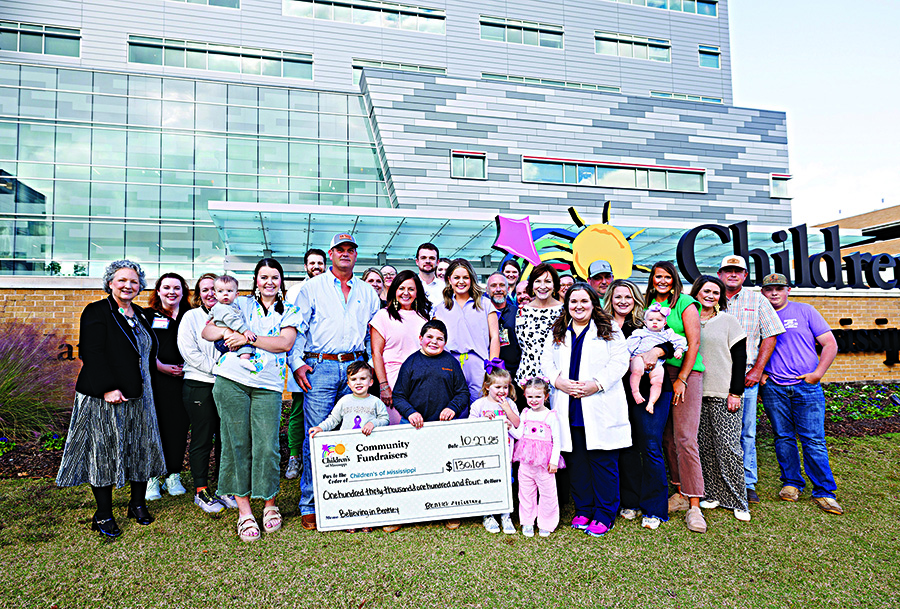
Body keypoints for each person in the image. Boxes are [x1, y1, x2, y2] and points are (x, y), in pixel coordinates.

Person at [56, 260, 166, 538]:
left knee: (141, 446)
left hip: (140, 395)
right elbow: (91, 352)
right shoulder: (96, 311)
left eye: (134, 281)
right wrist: (108, 388)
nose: (128, 286)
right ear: (110, 283)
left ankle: (137, 504)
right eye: (122, 280)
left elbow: (145, 353)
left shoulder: (141, 315)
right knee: (103, 452)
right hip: (106, 396)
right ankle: (103, 513)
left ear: (140, 286)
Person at [202, 258, 301, 541]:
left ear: (281, 281)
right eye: (263, 277)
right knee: (236, 444)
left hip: (269, 385)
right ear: (256, 280)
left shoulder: (290, 310)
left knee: (267, 446)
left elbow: (284, 343)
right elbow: (207, 331)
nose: (269, 282)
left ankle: (269, 504)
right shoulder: (239, 304)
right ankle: (244, 511)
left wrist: (247, 339)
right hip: (231, 380)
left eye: (275, 277)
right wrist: (227, 332)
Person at [290, 233, 381, 530]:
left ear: (355, 254)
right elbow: (298, 328)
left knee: (356, 436)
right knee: (317, 436)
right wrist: (297, 363)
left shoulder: (367, 291)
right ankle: (311, 503)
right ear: (331, 254)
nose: (345, 253)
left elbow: (372, 333)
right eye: (339, 249)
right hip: (321, 366)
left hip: (356, 367)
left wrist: (370, 368)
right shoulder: (312, 288)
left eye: (350, 249)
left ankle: (351, 502)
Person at [541, 283, 630, 537]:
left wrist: (597, 384)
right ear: (566, 304)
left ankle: (604, 514)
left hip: (598, 403)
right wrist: (557, 381)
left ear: (593, 303)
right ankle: (584, 509)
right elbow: (546, 360)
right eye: (573, 301)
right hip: (568, 405)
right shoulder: (559, 329)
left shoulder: (609, 328)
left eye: (584, 301)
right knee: (577, 462)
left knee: (602, 462)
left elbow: (620, 361)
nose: (578, 306)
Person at [760, 273, 842, 515]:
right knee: (783, 437)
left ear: (788, 290)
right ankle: (791, 483)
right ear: (763, 293)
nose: (774, 293)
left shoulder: (805, 311)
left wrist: (817, 373)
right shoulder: (760, 314)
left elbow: (830, 344)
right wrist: (761, 372)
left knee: (813, 440)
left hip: (806, 386)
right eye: (769, 289)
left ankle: (824, 492)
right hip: (774, 386)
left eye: (779, 288)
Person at [604, 279, 673, 531]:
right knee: (627, 446)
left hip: (651, 391)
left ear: (636, 300)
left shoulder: (646, 321)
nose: (623, 301)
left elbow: (670, 343)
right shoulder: (602, 325)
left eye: (628, 297)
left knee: (651, 444)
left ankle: (654, 507)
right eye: (618, 296)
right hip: (616, 392)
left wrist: (656, 352)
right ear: (610, 299)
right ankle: (630, 501)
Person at [718, 255, 785, 505]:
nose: (733, 274)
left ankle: (747, 482)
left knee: (746, 431)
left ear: (745, 275)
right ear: (720, 274)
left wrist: (758, 370)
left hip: (746, 376)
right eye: (728, 270)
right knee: (714, 430)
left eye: (738, 271)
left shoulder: (757, 300)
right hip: (714, 375)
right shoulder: (710, 297)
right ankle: (717, 480)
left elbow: (770, 335)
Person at [391, 319, 470, 530]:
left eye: (440, 339)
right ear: (420, 339)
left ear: (445, 342)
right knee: (408, 471)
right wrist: (410, 412)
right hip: (413, 425)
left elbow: (463, 393)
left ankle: (448, 510)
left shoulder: (451, 362)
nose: (434, 342)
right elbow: (398, 396)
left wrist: (453, 407)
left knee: (444, 470)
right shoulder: (411, 363)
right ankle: (402, 513)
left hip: (441, 427)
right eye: (430, 337)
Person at [645, 261, 705, 533]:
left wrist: (682, 378)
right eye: (658, 276)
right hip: (657, 375)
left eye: (667, 277)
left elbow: (694, 343)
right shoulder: (648, 303)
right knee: (666, 437)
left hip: (684, 374)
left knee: (685, 438)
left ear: (674, 279)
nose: (662, 281)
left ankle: (695, 505)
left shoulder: (685, 303)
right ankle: (680, 492)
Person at [692, 276, 750, 523]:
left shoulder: (728, 321)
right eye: (706, 291)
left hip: (724, 395)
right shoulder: (689, 320)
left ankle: (738, 500)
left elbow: (740, 359)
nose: (710, 296)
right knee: (705, 448)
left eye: (716, 292)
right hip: (696, 394)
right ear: (696, 292)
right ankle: (714, 494)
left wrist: (735, 392)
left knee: (729, 448)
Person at [177, 272, 236, 515]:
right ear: (199, 295)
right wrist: (219, 368)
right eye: (205, 290)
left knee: (225, 439)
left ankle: (225, 488)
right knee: (202, 439)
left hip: (228, 384)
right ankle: (201, 491)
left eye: (215, 288)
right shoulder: (191, 317)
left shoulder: (232, 315)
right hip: (199, 384)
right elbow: (189, 352)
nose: (211, 293)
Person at [308, 361, 389, 533]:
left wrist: (373, 423)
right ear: (348, 383)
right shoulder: (344, 401)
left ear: (371, 382)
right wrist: (320, 428)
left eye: (363, 378)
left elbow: (385, 419)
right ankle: (349, 518)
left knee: (367, 484)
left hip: (368, 453)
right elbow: (333, 419)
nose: (358, 382)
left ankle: (367, 517)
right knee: (349, 485)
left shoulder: (375, 402)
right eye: (354, 379)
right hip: (347, 452)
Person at [141, 272, 191, 501]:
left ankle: (173, 475)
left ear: (183, 291)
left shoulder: (191, 315)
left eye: (177, 288)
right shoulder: (147, 315)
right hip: (156, 381)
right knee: (155, 428)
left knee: (178, 429)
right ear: (158, 291)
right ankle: (152, 477)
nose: (172, 292)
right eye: (167, 287)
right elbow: (141, 346)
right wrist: (159, 366)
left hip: (185, 380)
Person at [432, 258, 500, 409]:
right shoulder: (440, 309)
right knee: (455, 409)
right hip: (451, 364)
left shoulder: (485, 304)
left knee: (481, 407)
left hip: (480, 364)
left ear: (472, 279)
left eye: (465, 277)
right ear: (449, 280)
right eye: (456, 277)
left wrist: (492, 366)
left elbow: (495, 337)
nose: (461, 281)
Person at [284, 247, 327, 481]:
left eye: (320, 263)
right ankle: (294, 456)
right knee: (299, 409)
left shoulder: (332, 288)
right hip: (302, 360)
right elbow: (292, 328)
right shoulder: (295, 292)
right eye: (312, 263)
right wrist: (295, 360)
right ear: (305, 266)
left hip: (326, 361)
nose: (316, 267)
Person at [370, 270, 430, 424]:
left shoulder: (424, 318)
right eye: (401, 288)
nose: (406, 293)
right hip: (393, 380)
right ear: (395, 290)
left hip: (421, 381)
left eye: (411, 289)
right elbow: (376, 353)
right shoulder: (383, 316)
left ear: (417, 292)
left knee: (419, 426)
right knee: (397, 428)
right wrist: (384, 385)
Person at [469, 361, 521, 535]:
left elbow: (518, 426)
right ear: (487, 386)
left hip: (506, 452)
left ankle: (506, 515)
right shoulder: (479, 405)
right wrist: (484, 421)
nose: (502, 391)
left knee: (505, 483)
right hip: (485, 454)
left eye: (505, 387)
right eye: (497, 387)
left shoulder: (510, 404)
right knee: (487, 482)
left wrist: (507, 413)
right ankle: (488, 514)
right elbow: (469, 429)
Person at [510, 377, 564, 538]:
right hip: (526, 463)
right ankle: (527, 521)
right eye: (530, 396)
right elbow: (519, 434)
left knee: (548, 494)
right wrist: (509, 426)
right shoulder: (525, 413)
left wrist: (554, 461)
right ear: (525, 396)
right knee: (525, 492)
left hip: (544, 465)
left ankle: (546, 522)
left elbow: (557, 441)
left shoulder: (550, 416)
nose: (534, 400)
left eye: (538, 396)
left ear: (546, 396)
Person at [626, 303, 686, 414]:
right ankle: (635, 392)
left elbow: (680, 340)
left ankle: (651, 402)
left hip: (657, 362)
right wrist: (629, 355)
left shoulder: (667, 333)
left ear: (665, 323)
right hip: (639, 357)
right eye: (651, 320)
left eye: (659, 320)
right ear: (645, 322)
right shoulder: (640, 332)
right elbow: (630, 344)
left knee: (658, 381)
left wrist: (679, 350)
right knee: (637, 371)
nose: (654, 322)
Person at [514, 263, 563, 389]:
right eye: (538, 281)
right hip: (526, 380)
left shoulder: (564, 311)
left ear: (554, 285)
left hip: (555, 380)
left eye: (547, 281)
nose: (542, 286)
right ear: (532, 285)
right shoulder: (522, 311)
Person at [207, 274, 257, 371]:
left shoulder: (228, 306)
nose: (225, 294)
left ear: (236, 294)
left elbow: (211, 312)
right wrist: (245, 331)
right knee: (247, 344)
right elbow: (232, 321)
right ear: (215, 295)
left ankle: (221, 363)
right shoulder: (223, 308)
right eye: (220, 291)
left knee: (228, 355)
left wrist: (209, 319)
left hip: (223, 339)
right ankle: (244, 359)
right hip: (224, 340)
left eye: (229, 291)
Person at [487, 272, 521, 379]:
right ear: (487, 290)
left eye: (502, 285)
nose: (498, 289)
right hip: (489, 371)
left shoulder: (517, 313)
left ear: (508, 289)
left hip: (514, 373)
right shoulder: (481, 313)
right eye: (493, 286)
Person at [415, 242, 443, 309]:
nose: (427, 261)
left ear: (437, 262)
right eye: (423, 258)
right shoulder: (410, 285)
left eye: (432, 258)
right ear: (417, 261)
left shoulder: (444, 287)